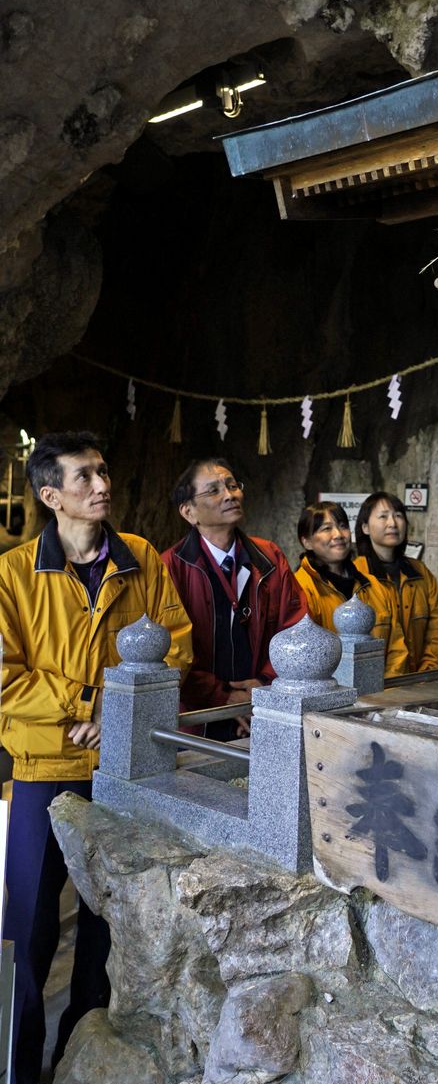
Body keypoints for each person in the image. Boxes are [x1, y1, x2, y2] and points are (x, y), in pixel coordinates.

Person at [0, 430, 193, 1084]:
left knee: (106, 933)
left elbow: (177, 646)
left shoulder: (140, 558)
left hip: (120, 771)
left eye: (104, 470)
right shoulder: (12, 573)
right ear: (52, 494)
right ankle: (15, 1066)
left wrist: (118, 710)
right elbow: (5, 675)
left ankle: (78, 1060)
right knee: (26, 932)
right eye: (84, 476)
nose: (102, 484)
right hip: (43, 772)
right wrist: (86, 700)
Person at [162, 458, 306, 736]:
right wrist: (224, 697)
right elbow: (170, 648)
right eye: (214, 491)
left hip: (264, 706)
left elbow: (295, 626)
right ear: (189, 511)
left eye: (232, 485)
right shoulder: (170, 567)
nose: (230, 495)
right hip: (197, 714)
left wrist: (265, 684)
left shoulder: (269, 557)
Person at [354, 491, 438, 676]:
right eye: (383, 516)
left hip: (419, 684)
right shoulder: (357, 577)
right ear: (365, 527)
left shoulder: (420, 573)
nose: (392, 523)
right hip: (373, 689)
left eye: (398, 516)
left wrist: (426, 675)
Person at [295, 501, 393, 640]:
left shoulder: (373, 586)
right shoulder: (299, 589)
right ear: (307, 542)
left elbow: (396, 648)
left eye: (343, 526)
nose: (338, 534)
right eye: (327, 528)